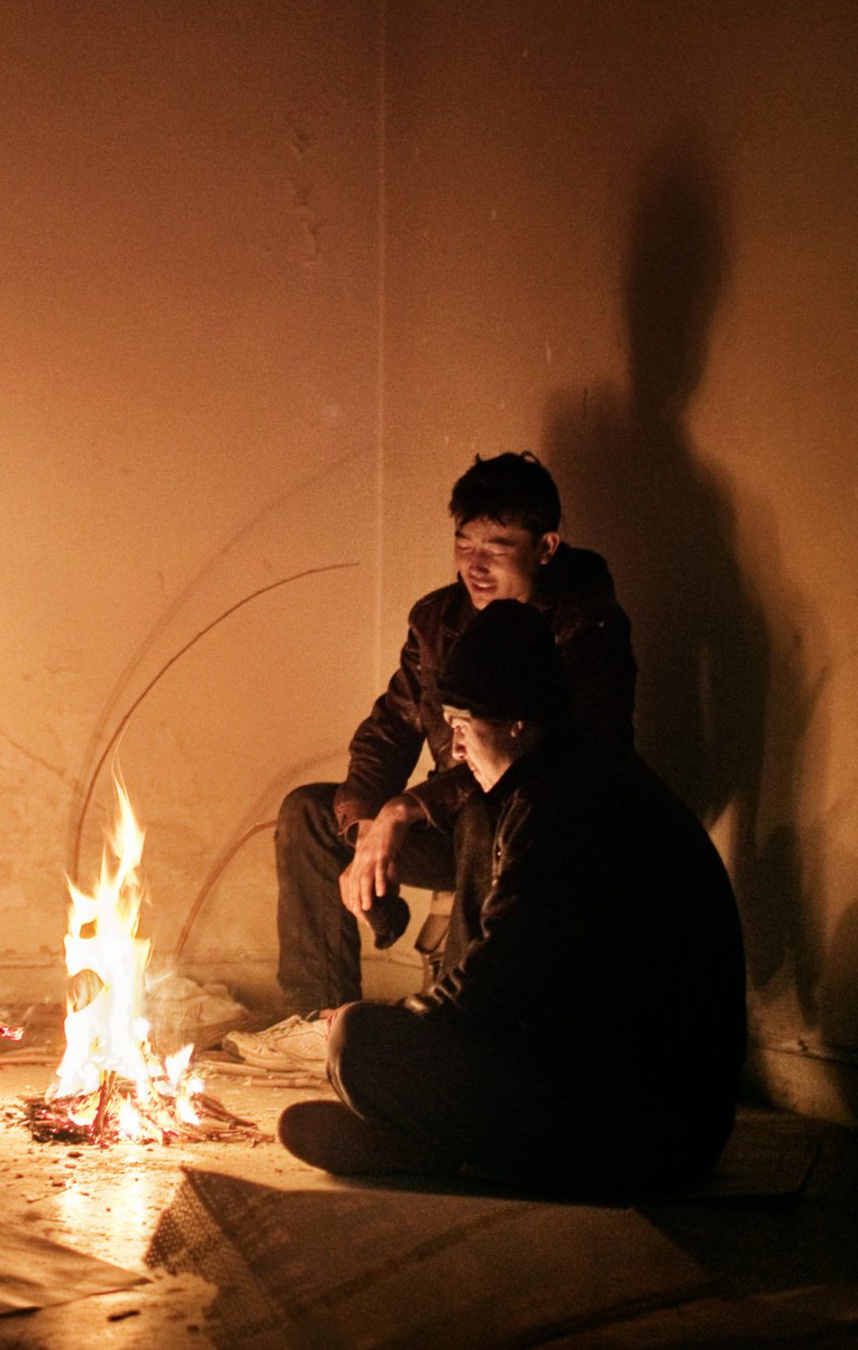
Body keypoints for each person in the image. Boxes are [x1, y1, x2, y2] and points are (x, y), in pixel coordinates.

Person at [279, 598, 746, 1197]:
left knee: (359, 1041)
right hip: (600, 1079)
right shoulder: (548, 785)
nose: (454, 749)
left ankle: (438, 1145)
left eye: (464, 728)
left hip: (649, 1129)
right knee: (471, 823)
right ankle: (437, 1142)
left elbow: (497, 984)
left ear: (518, 724)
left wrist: (393, 1026)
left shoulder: (568, 808)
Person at [230, 452, 637, 1069]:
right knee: (309, 813)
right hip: (450, 814)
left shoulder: (587, 625)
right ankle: (323, 1022)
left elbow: (540, 764)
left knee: (479, 819)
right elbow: (391, 727)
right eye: (463, 543)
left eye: (497, 546)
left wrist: (406, 809)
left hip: (537, 835)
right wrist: (366, 825)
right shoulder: (438, 620)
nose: (475, 564)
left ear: (546, 547)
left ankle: (455, 1037)